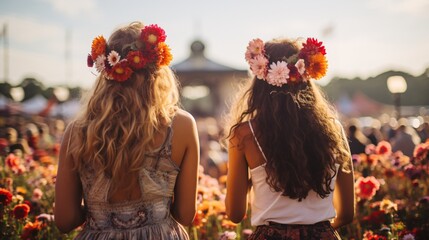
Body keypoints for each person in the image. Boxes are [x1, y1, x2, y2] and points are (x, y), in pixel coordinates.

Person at [54, 21, 200, 239]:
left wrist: (99, 214)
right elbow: (186, 215)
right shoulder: (182, 125)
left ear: (106, 70)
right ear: (158, 70)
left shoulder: (77, 131)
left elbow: (65, 220)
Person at [224, 37, 355, 239]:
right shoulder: (333, 130)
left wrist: (252, 182)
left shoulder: (245, 134)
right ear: (305, 77)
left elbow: (235, 213)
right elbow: (346, 213)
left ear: (260, 81)